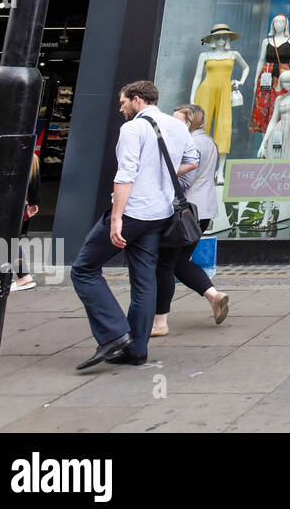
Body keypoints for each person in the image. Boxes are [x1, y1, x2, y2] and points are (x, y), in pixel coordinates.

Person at [71, 81, 197, 369]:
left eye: (123, 102)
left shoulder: (132, 129)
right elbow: (192, 160)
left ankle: (115, 334)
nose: (121, 108)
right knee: (144, 279)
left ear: (137, 100)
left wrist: (116, 218)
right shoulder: (176, 126)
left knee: (83, 269)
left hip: (134, 212)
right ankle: (137, 350)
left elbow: (126, 173)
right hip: (161, 213)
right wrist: (160, 176)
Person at [151, 104, 230, 337]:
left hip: (187, 211)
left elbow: (185, 179)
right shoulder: (209, 141)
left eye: (178, 120)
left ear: (189, 122)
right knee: (178, 261)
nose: (173, 125)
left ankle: (160, 320)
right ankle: (213, 296)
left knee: (167, 264)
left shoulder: (190, 143)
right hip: (203, 210)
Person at [11, 152, 41, 292]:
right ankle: (23, 276)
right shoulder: (32, 157)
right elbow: (34, 184)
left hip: (6, 206)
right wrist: (34, 203)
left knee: (8, 241)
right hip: (20, 205)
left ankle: (24, 276)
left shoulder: (9, 155)